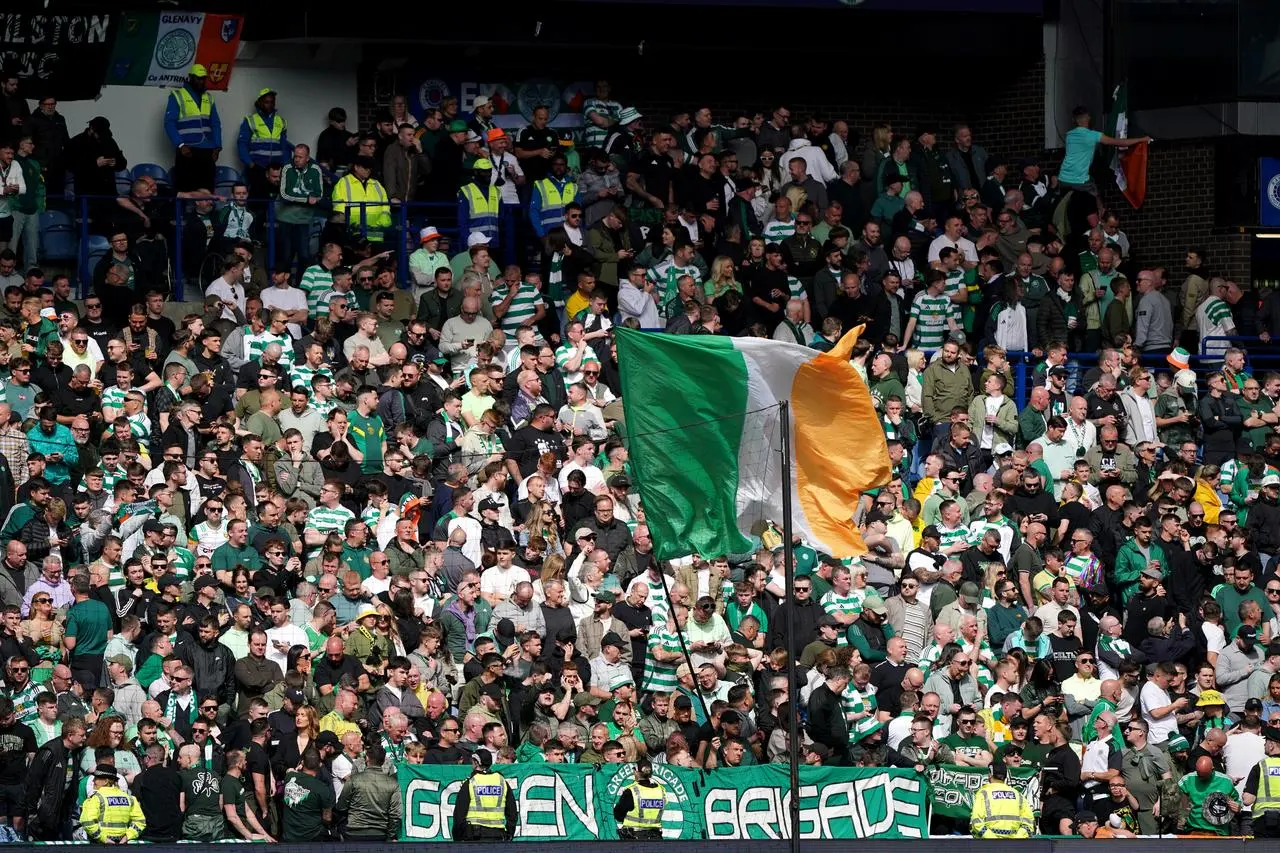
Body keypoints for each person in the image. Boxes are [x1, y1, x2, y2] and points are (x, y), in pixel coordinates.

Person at [335, 742, 402, 841]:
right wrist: (390, 834)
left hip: (354, 833)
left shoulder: (354, 780)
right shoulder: (393, 784)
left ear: (366, 758)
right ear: (384, 761)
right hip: (379, 834)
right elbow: (396, 814)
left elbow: (341, 806)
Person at [452, 749, 516, 840]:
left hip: (474, 837)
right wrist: (509, 834)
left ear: (476, 763)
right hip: (498, 835)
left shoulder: (471, 783)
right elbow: (512, 813)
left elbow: (459, 815)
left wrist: (458, 838)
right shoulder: (501, 781)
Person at [78, 762, 146, 844]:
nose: (93, 780)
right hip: (122, 844)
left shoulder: (96, 798)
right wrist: (128, 836)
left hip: (100, 845)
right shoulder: (129, 798)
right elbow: (140, 821)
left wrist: (103, 838)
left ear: (106, 781)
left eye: (96, 778)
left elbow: (87, 822)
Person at [969, 760, 1035, 838]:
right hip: (1014, 845)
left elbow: (976, 822)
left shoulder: (983, 794)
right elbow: (1029, 822)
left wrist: (993, 839)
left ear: (990, 775)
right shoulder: (1018, 794)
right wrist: (1017, 838)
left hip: (988, 845)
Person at [613, 756, 666, 839]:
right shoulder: (661, 790)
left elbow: (618, 814)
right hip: (656, 836)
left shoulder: (631, 791)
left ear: (635, 771)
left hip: (634, 837)